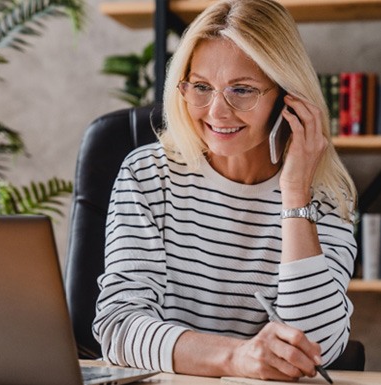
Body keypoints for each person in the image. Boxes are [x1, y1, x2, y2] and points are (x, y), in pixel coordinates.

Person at [93, 0, 357, 381]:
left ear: (287, 98)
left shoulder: (327, 195)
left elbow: (313, 349)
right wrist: (236, 357)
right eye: (201, 87)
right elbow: (118, 328)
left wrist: (295, 192)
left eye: (242, 90)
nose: (216, 111)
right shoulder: (147, 175)